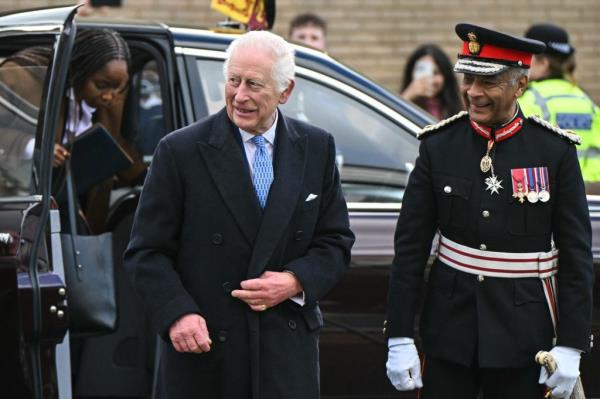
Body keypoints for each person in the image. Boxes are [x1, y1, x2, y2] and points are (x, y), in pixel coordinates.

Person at [123, 30, 354, 399]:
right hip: (207, 351)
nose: (240, 96)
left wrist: (295, 281)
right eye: (233, 81)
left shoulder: (316, 147)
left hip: (284, 352)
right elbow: (146, 252)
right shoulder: (180, 151)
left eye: (254, 85)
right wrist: (177, 314)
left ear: (285, 91)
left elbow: (336, 242)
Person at [385, 23, 593, 399]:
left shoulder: (554, 152)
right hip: (449, 335)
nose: (473, 93)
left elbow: (576, 255)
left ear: (520, 86)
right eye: (468, 80)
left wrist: (572, 344)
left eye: (489, 83)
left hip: (525, 340)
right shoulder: (439, 146)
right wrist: (399, 335)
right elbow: (411, 248)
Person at [519, 23, 600, 191]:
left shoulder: (529, 100)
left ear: (543, 63)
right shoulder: (586, 101)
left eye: (528, 56)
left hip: (546, 197)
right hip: (589, 197)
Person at [400, 44, 463, 120]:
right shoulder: (406, 105)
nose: (430, 80)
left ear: (445, 75)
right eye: (423, 72)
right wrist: (407, 96)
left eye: (435, 72)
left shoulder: (457, 110)